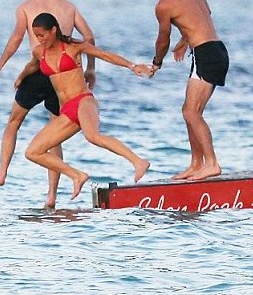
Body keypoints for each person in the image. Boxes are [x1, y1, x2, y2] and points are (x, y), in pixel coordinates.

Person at [0, 0, 96, 208]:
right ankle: (51, 196)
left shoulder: (25, 7)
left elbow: (16, 38)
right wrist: (89, 69)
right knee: (54, 136)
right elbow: (89, 37)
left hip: (39, 71)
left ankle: (1, 173)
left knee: (14, 122)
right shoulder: (68, 7)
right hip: (61, 76)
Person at [18, 13, 152, 200]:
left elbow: (104, 54)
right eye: (36, 36)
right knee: (33, 152)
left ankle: (138, 161)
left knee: (92, 136)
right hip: (66, 111)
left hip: (83, 101)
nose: (40, 39)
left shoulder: (73, 47)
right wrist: (20, 78)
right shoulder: (39, 52)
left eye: (42, 35)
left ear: (54, 30)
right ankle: (77, 175)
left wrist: (132, 66)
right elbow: (32, 66)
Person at [138, 0, 229, 181]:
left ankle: (212, 164)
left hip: (205, 54)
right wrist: (186, 39)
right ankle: (196, 164)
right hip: (216, 49)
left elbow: (163, 40)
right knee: (190, 111)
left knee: (191, 112)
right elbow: (204, 12)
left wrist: (156, 63)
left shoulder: (164, 5)